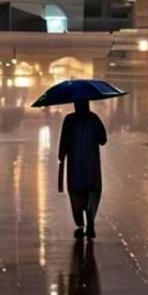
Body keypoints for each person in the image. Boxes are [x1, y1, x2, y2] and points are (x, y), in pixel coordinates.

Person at [58, 98, 107, 239]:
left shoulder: (69, 120)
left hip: (75, 166)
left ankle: (81, 225)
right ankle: (89, 223)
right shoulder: (93, 119)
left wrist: (61, 158)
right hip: (91, 167)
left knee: (77, 195)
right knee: (91, 195)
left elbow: (64, 143)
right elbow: (103, 140)